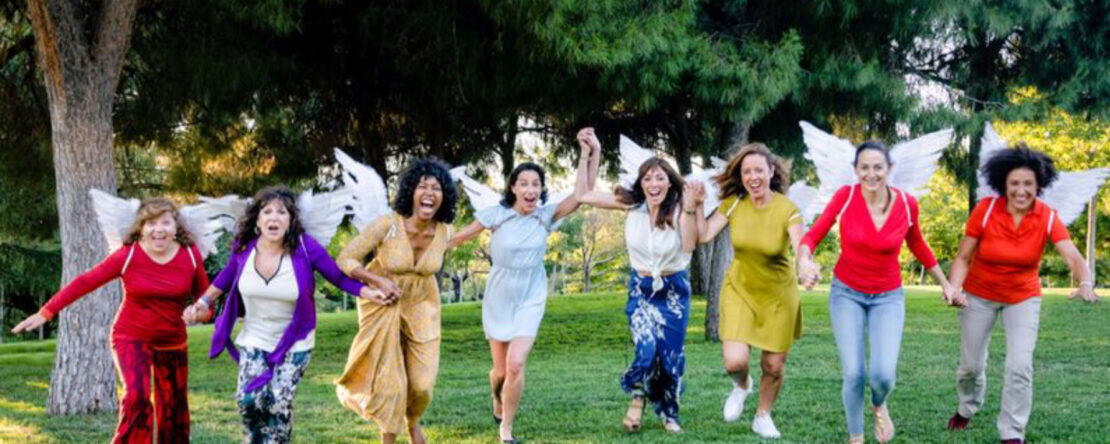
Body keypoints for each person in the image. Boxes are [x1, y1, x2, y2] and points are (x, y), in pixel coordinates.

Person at [182, 186, 376, 444]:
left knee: (277, 401)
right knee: (247, 400)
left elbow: (338, 277)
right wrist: (203, 301)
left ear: (291, 219)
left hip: (295, 341)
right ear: (257, 219)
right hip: (255, 337)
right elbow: (226, 276)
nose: (274, 218)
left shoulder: (306, 248)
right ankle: (255, 440)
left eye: (281, 212)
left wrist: (366, 291)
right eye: (267, 212)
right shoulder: (244, 249)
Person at [13, 197, 208, 444]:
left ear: (176, 228)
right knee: (137, 396)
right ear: (142, 228)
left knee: (174, 406)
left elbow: (205, 300)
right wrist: (47, 312)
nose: (159, 229)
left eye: (165, 223)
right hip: (131, 336)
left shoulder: (190, 256)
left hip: (172, 340)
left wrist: (199, 311)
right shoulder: (128, 255)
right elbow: (86, 281)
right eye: (151, 223)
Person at [797, 141, 954, 444]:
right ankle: (856, 437)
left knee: (883, 375)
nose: (871, 174)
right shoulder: (846, 197)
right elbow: (813, 234)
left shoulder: (907, 204)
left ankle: (879, 403)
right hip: (847, 293)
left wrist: (945, 282)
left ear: (889, 169)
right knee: (854, 373)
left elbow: (918, 244)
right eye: (864, 167)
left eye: (877, 167)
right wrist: (804, 260)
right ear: (855, 170)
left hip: (888, 296)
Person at [449, 128, 597, 443]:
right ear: (513, 188)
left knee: (516, 364)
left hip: (531, 292)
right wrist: (417, 247)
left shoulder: (546, 215)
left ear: (541, 190)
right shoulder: (496, 214)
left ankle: (506, 429)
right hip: (499, 294)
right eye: (524, 183)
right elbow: (458, 238)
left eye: (536, 184)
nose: (531, 189)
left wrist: (587, 154)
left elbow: (584, 194)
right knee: (500, 372)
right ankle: (496, 397)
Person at [943, 145, 1098, 444]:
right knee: (970, 366)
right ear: (1004, 184)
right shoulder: (986, 210)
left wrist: (1085, 283)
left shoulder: (1047, 217)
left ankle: (1012, 433)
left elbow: (1075, 259)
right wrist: (955, 288)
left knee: (1020, 366)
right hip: (979, 294)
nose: (1021, 190)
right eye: (1015, 183)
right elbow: (963, 257)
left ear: (1038, 185)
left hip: (1023, 297)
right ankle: (966, 407)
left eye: (1028, 184)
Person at [574, 130, 698, 434]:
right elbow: (583, 194)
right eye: (648, 179)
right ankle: (638, 397)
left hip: (674, 293)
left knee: (669, 360)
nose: (654, 184)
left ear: (670, 182)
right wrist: (590, 153)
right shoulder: (631, 205)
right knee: (645, 347)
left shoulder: (682, 209)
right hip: (641, 290)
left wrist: (693, 208)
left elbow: (691, 245)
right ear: (641, 183)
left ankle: (669, 413)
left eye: (660, 178)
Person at [333, 159, 459, 444]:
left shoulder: (444, 231)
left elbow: (472, 231)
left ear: (444, 196)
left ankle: (412, 420)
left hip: (423, 306)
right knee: (391, 381)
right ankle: (388, 438)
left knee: (422, 384)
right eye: (422, 186)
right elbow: (345, 259)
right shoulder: (387, 225)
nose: (429, 192)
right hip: (384, 302)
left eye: (436, 187)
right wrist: (376, 280)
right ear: (410, 192)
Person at [692, 143, 811, 438]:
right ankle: (742, 385)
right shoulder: (733, 203)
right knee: (734, 360)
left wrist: (806, 264)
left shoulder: (788, 209)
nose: (753, 177)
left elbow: (800, 244)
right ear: (741, 176)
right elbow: (704, 234)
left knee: (773, 366)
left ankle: (762, 415)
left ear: (771, 172)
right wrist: (695, 206)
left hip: (778, 295)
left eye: (759, 170)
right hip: (740, 288)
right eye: (747, 171)